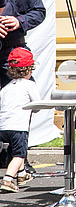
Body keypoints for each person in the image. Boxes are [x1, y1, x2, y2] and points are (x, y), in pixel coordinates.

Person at [0, 48, 38, 193]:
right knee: (19, 154)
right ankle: (8, 179)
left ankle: (21, 174)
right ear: (29, 69)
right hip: (18, 126)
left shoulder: (6, 88)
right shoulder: (29, 85)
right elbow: (37, 103)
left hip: (3, 126)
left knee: (14, 149)